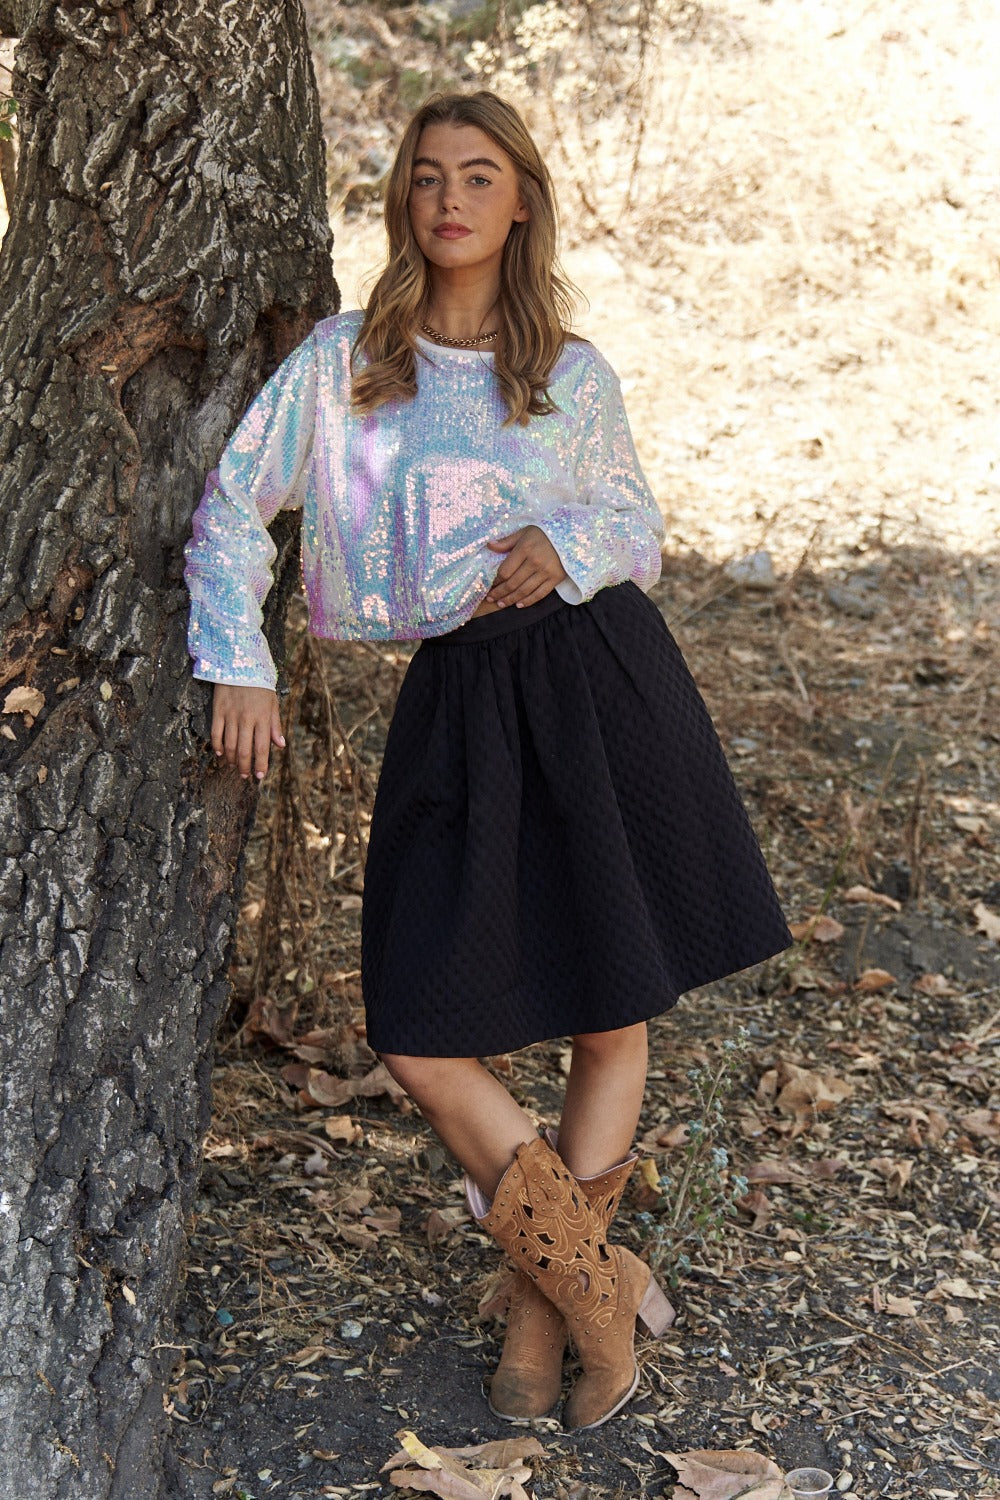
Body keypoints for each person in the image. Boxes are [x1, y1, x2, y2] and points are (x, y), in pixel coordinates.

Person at [184, 90, 791, 1432]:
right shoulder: (348, 366)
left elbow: (633, 520)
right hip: (454, 700)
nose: (449, 198)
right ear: (403, 203)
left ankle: (538, 1311)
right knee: (417, 1026)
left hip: (595, 681)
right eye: (426, 177)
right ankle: (592, 1287)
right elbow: (234, 506)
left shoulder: (570, 373)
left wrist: (565, 547)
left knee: (606, 1003)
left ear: (520, 203)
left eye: (480, 175)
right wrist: (240, 651)